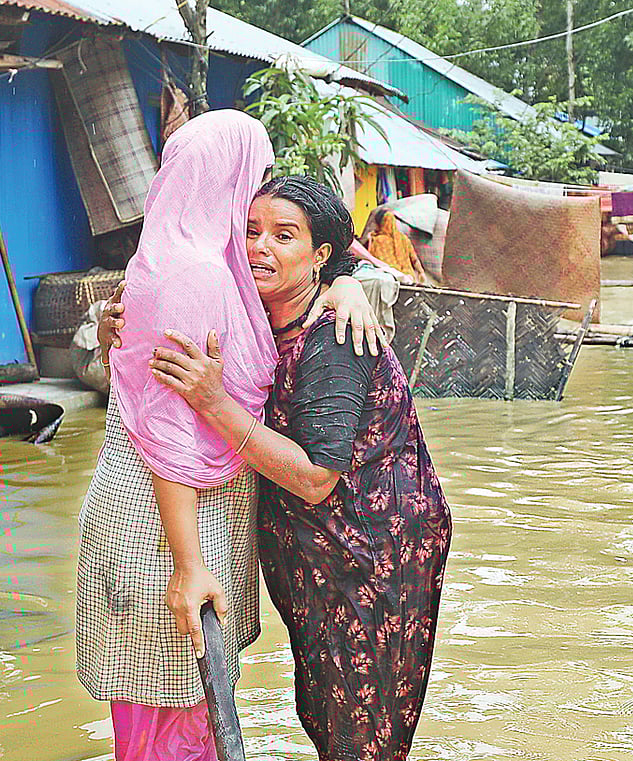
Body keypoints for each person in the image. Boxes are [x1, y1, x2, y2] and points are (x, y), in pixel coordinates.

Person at [77, 111, 384, 761]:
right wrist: (189, 565)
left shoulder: (182, 260)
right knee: (176, 709)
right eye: (256, 176)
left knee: (174, 712)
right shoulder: (197, 273)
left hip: (162, 519)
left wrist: (344, 286)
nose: (258, 188)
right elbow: (169, 431)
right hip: (162, 528)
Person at [145, 175, 452, 760]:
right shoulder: (263, 316)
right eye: (251, 231)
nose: (260, 247)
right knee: (324, 714)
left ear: (320, 256)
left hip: (370, 558)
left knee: (361, 734)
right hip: (318, 556)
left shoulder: (335, 337)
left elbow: (315, 477)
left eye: (284, 236)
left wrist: (215, 403)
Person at [364, 208, 426, 283]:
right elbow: (414, 259)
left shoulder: (377, 240)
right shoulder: (403, 238)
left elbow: (373, 261)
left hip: (390, 278)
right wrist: (421, 272)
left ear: (380, 223)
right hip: (409, 278)